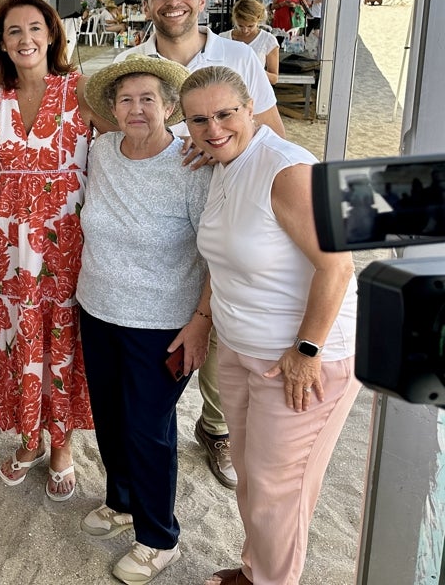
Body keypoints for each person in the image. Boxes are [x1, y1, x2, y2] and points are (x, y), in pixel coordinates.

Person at [180, 66, 360, 585]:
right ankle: (256, 570)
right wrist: (202, 319)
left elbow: (338, 264)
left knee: (278, 490)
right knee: (252, 478)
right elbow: (225, 260)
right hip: (240, 348)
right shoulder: (220, 164)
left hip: (300, 357)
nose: (213, 128)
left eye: (225, 114)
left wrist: (307, 351)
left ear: (250, 109)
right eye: (198, 120)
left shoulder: (286, 168)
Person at [121, 0, 286, 491]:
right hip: (160, 221)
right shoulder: (130, 60)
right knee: (170, 330)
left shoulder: (238, 55)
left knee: (221, 324)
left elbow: (272, 134)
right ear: (146, 3)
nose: (173, 1)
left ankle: (213, 427)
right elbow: (114, 132)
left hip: (230, 208)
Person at [0, 0, 111, 500]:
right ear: (0, 43)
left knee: (64, 340)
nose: (25, 39)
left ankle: (62, 443)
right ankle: (30, 436)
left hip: (67, 239)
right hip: (11, 244)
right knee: (22, 340)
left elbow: (126, 140)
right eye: (13, 31)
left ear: (51, 34)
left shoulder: (80, 89)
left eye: (34, 28)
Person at [76, 55, 212, 584]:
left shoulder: (192, 165)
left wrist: (202, 320)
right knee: (110, 416)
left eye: (148, 99)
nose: (136, 109)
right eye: (126, 99)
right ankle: (123, 500)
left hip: (162, 322)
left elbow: (216, 252)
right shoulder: (103, 149)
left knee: (149, 428)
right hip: (98, 308)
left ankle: (159, 538)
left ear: (170, 107)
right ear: (111, 110)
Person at [229, 0, 279, 84]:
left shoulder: (268, 40)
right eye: (240, 26)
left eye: (250, 26)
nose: (245, 30)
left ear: (258, 19)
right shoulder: (223, 38)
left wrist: (254, 70)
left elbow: (274, 79)